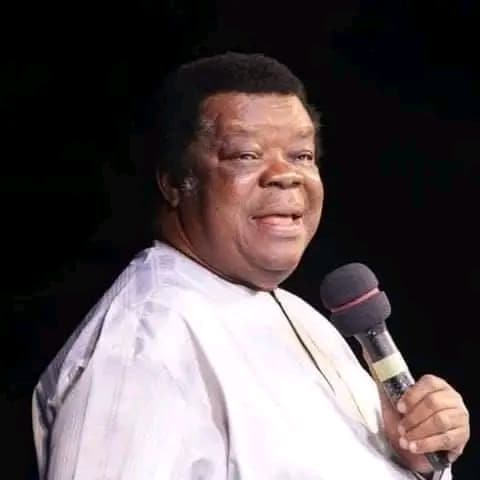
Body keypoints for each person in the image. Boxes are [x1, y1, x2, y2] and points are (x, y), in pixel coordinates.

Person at [32, 52, 469, 479]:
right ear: (175, 182)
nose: (285, 174)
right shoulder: (144, 344)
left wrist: (409, 456)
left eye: (302, 155)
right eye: (246, 155)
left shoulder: (297, 315)